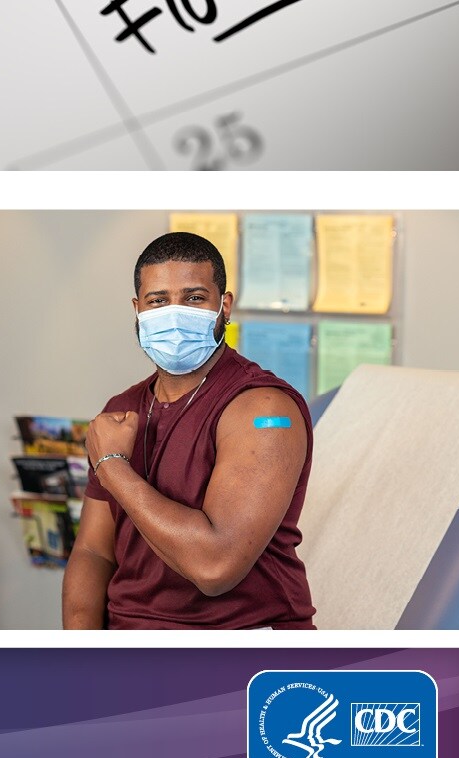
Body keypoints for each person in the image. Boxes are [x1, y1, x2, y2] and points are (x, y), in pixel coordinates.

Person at [62, 231, 315, 629]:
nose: (174, 315)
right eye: (158, 301)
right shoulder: (122, 410)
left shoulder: (265, 411)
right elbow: (94, 552)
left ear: (224, 306)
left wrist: (112, 467)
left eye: (194, 298)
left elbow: (214, 566)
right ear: (137, 309)